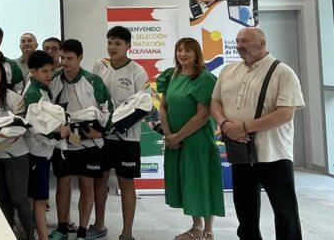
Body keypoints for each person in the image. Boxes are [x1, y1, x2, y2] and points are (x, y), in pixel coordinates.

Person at [211, 27, 304, 239]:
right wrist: (224, 123)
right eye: (237, 41)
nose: (239, 45)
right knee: (245, 212)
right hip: (241, 153)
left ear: (261, 44)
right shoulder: (228, 70)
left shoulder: (283, 73)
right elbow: (215, 101)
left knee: (284, 210)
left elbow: (284, 114)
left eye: (245, 41)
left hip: (274, 154)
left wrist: (243, 127)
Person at [156, 38, 224, 240]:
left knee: (203, 180)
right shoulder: (172, 75)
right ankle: (196, 227)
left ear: (196, 54)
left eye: (187, 51)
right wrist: (169, 135)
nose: (182, 54)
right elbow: (163, 107)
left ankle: (208, 230)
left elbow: (203, 116)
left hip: (197, 141)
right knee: (188, 182)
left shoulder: (204, 78)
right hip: (175, 139)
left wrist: (178, 136)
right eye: (179, 50)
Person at [87, 26, 149, 240]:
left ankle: (127, 232)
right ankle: (99, 224)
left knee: (125, 183)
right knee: (100, 181)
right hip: (102, 137)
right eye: (110, 42)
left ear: (128, 46)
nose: (112, 47)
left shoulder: (137, 71)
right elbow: (92, 98)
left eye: (118, 43)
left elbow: (145, 105)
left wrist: (119, 125)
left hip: (127, 138)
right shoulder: (99, 66)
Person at [49, 39, 111, 240]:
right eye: (62, 57)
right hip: (64, 144)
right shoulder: (54, 79)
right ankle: (61, 228)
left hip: (89, 144)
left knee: (87, 186)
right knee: (62, 185)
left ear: (80, 58)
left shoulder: (93, 81)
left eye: (69, 58)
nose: (64, 62)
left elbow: (108, 110)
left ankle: (83, 231)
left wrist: (100, 132)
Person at [0, 59, 35, 240]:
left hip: (15, 156)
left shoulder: (14, 98)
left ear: (3, 76)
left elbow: (20, 127)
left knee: (19, 199)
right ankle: (8, 234)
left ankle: (29, 236)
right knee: (2, 198)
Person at [23, 50, 61, 240]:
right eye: (45, 71)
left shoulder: (43, 89)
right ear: (33, 71)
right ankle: (42, 237)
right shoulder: (33, 93)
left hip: (43, 151)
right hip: (36, 152)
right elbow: (37, 127)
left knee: (39, 197)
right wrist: (59, 133)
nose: (49, 75)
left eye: (51, 71)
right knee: (39, 198)